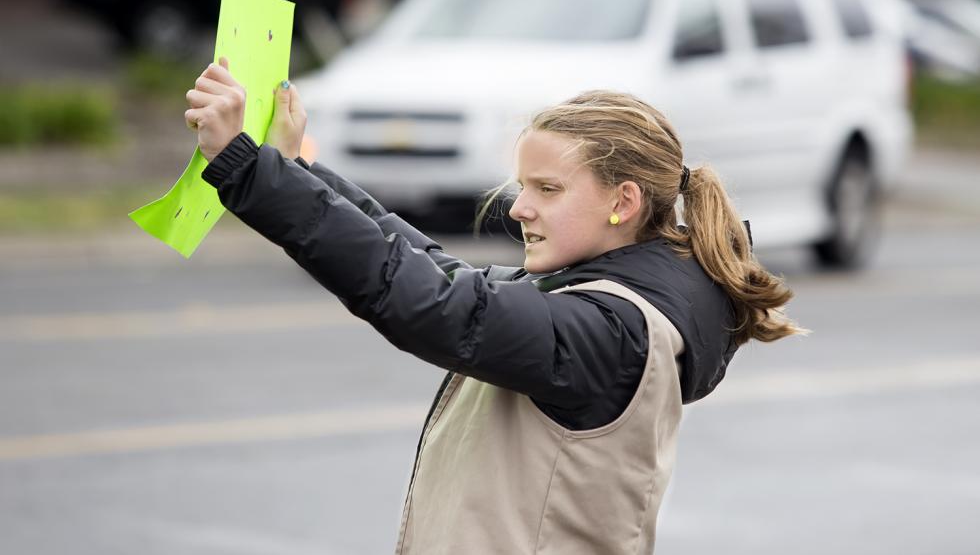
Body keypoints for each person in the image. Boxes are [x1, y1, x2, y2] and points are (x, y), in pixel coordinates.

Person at [185, 58, 805, 554]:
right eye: (521, 186)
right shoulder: (596, 299)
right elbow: (433, 267)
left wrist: (250, 173)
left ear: (624, 200)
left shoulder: (610, 333)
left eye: (548, 189)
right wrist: (293, 171)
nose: (518, 207)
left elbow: (429, 301)